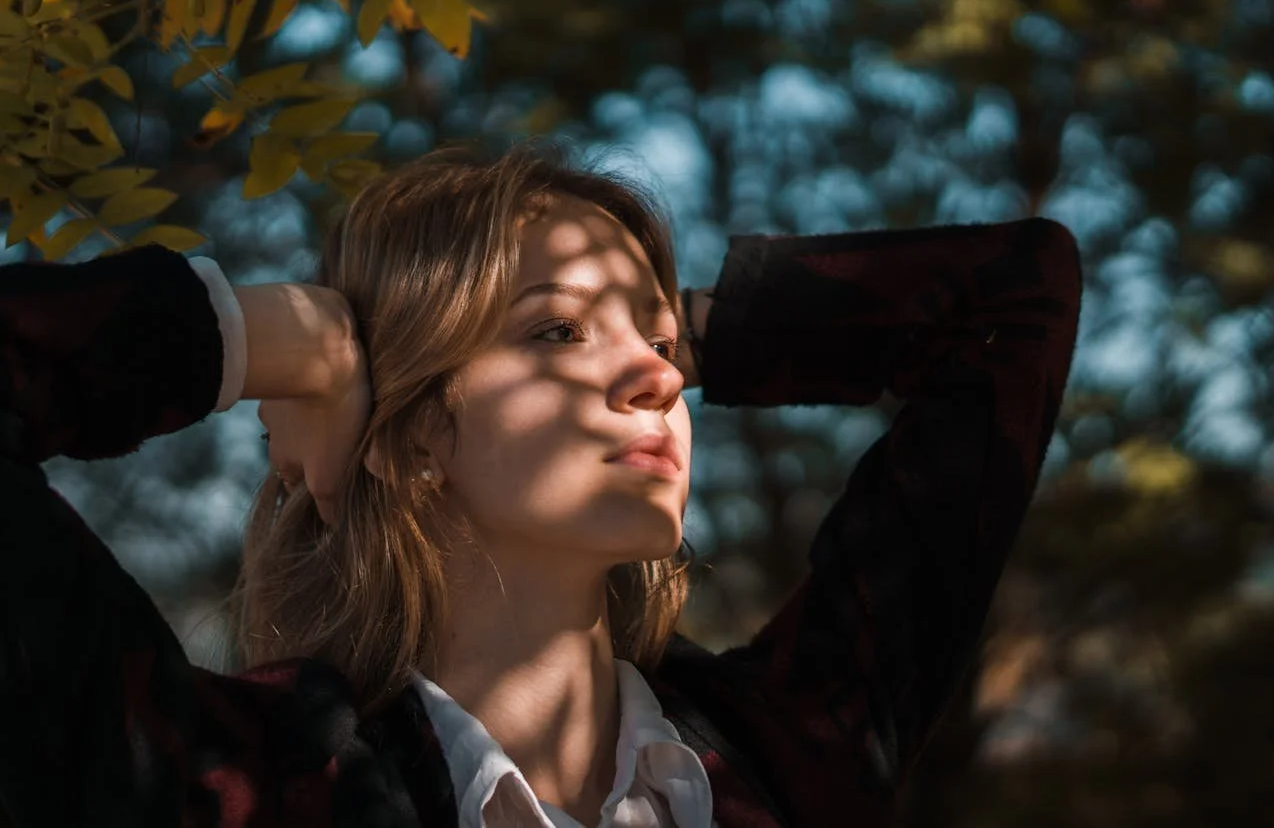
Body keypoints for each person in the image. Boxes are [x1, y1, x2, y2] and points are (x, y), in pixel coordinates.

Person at [0, 143, 1081, 828]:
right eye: (557, 330)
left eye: (661, 346)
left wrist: (694, 331)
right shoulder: (243, 778)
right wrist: (263, 339)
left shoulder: (791, 748)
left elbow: (1008, 299)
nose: (658, 377)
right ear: (415, 429)